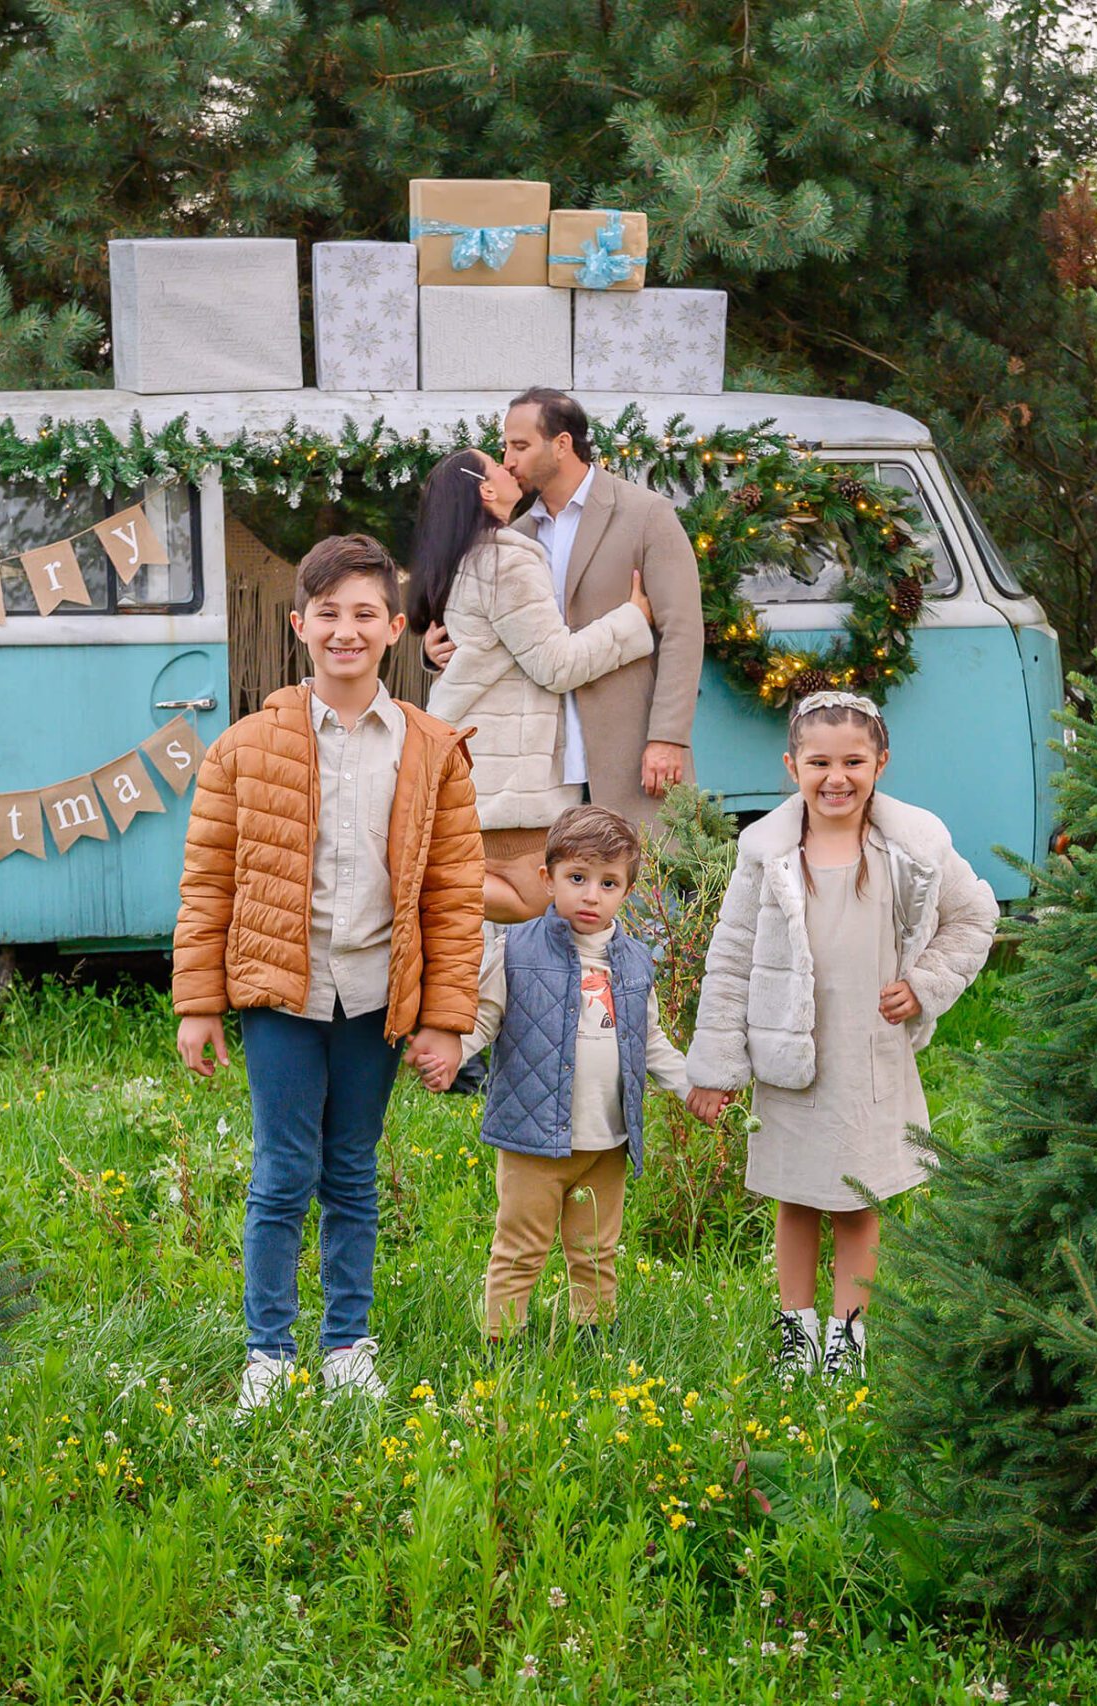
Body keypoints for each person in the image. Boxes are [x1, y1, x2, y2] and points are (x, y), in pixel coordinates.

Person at [171, 534, 484, 1418]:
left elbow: (456, 895)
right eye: (328, 615)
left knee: (351, 1170)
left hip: (378, 996)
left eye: (364, 616)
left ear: (393, 628)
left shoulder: (432, 750)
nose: (345, 632)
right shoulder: (244, 747)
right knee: (282, 1171)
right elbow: (209, 881)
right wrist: (199, 1004)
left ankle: (348, 1344)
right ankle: (267, 1353)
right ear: (299, 623)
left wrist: (446, 1018)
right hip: (281, 992)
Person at [685, 692, 998, 1381]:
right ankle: (794, 1336)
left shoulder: (913, 850)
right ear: (791, 765)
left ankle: (846, 1341)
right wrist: (714, 1066)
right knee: (796, 1199)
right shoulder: (766, 854)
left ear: (880, 763)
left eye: (853, 761)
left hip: (869, 1054)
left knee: (859, 1201)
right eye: (819, 761)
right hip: (792, 1056)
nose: (837, 777)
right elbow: (732, 958)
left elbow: (975, 918)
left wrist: (925, 983)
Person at [416, 804, 705, 1341]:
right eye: (577, 878)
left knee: (595, 1251)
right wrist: (453, 1052)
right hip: (532, 1143)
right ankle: (500, 1346)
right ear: (548, 879)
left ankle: (591, 1339)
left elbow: (650, 1042)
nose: (591, 895)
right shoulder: (515, 951)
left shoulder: (636, 962)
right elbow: (482, 1017)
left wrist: (691, 1088)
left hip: (607, 1142)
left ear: (627, 890)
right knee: (521, 1247)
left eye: (608, 882)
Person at [423, 387, 703, 826]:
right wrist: (436, 648)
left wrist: (668, 737)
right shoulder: (513, 535)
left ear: (562, 444)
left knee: (649, 889)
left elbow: (683, 631)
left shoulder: (645, 514)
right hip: (541, 776)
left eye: (520, 446)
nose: (509, 460)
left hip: (628, 750)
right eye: (504, 449)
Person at [410, 448, 657, 923]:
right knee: (535, 905)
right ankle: (413, 881)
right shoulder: (505, 560)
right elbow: (556, 664)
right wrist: (631, 622)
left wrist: (429, 655)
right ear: (485, 489)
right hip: (510, 791)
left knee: (481, 941)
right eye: (498, 465)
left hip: (470, 771)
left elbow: (475, 650)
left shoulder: (462, 557)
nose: (510, 465)